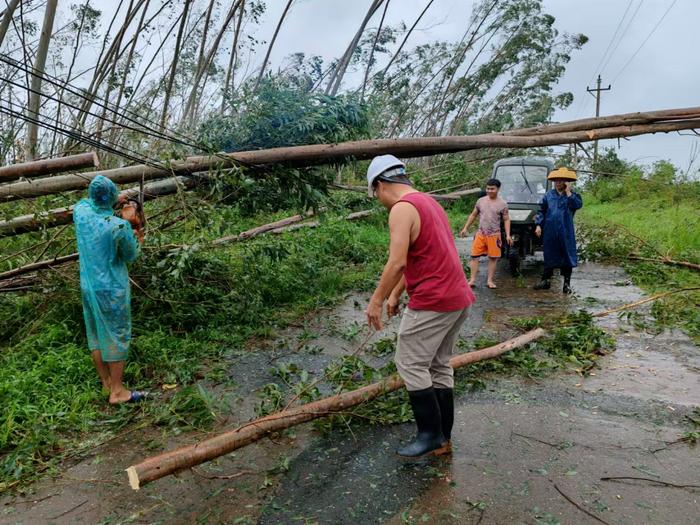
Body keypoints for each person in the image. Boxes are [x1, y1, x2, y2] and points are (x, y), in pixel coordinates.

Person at [364, 154, 476, 458]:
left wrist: (375, 302)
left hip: (434, 300)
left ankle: (428, 435)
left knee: (411, 363)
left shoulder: (401, 209)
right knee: (439, 364)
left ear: (380, 184)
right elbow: (422, 254)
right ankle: (443, 438)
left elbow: (397, 260)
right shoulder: (427, 202)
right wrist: (396, 294)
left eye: (375, 193)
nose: (378, 200)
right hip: (458, 298)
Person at [74, 175, 146, 404]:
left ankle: (106, 382)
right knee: (117, 334)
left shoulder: (81, 212)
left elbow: (88, 202)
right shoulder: (118, 226)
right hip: (111, 288)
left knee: (95, 333)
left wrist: (115, 200)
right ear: (113, 197)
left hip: (89, 285)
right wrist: (137, 230)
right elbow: (131, 255)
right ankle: (118, 392)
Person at [533, 167, 583, 294]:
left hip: (566, 231)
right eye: (557, 181)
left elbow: (577, 205)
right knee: (549, 254)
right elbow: (541, 211)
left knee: (567, 255)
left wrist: (568, 192)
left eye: (562, 181)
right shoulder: (548, 196)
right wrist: (538, 225)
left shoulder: (573, 196)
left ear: (566, 182)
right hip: (550, 230)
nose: (559, 183)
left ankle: (567, 284)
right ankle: (545, 281)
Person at [459, 179, 512, 289]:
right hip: (481, 233)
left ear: (498, 189)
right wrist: (465, 228)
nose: (489, 191)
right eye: (488, 188)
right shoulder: (480, 201)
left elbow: (506, 219)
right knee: (474, 256)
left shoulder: (502, 204)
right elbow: (473, 215)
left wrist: (507, 235)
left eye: (492, 189)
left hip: (494, 235)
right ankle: (472, 280)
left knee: (493, 258)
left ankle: (490, 280)